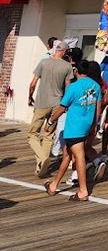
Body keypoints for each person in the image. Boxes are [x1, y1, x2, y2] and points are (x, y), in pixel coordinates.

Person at [43, 59, 102, 202]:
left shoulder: (73, 87)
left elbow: (62, 107)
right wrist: (94, 125)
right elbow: (98, 108)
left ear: (76, 71)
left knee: (79, 157)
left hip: (74, 127)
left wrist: (50, 121)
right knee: (67, 155)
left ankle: (83, 190)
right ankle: (54, 185)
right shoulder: (96, 86)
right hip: (87, 125)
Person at [27, 40, 72, 177]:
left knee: (32, 134)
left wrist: (30, 96)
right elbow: (68, 88)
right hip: (56, 104)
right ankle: (42, 167)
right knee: (48, 135)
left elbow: (33, 83)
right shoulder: (67, 67)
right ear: (64, 52)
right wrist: (65, 105)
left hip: (41, 102)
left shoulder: (44, 62)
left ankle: (42, 159)